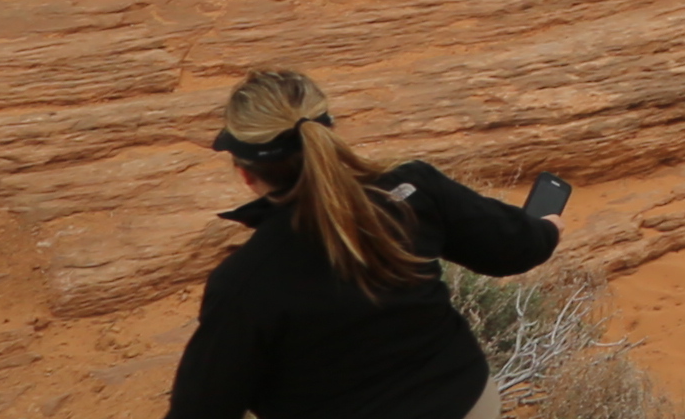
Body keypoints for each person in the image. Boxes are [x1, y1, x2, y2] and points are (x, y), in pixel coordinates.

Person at [166, 63, 561, 419]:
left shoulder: (245, 281)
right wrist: (546, 228)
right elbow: (513, 249)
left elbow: (202, 409)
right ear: (329, 133)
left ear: (245, 173)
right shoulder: (411, 189)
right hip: (467, 402)